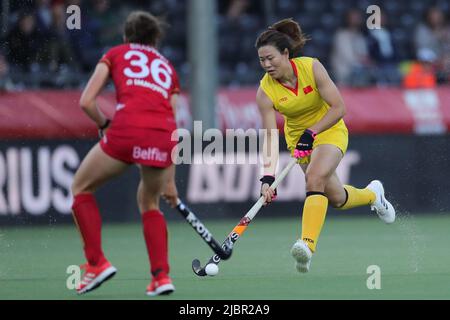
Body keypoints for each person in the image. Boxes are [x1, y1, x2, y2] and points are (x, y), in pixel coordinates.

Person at [255, 18, 396, 273]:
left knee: (314, 178)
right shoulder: (265, 91)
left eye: (271, 58)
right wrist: (267, 177)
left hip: (329, 129)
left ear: (286, 54)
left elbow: (339, 107)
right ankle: (373, 194)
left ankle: (306, 247)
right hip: (298, 140)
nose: (266, 65)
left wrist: (313, 132)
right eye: (262, 60)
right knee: (335, 197)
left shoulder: (312, 68)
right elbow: (269, 137)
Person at [71, 11, 180, 296]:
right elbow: (174, 123)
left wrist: (105, 124)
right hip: (161, 135)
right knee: (149, 202)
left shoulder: (116, 53)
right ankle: (161, 277)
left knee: (81, 187)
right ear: (155, 39)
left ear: (125, 36)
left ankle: (96, 263)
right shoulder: (168, 67)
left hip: (127, 128)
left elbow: (86, 102)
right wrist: (170, 178)